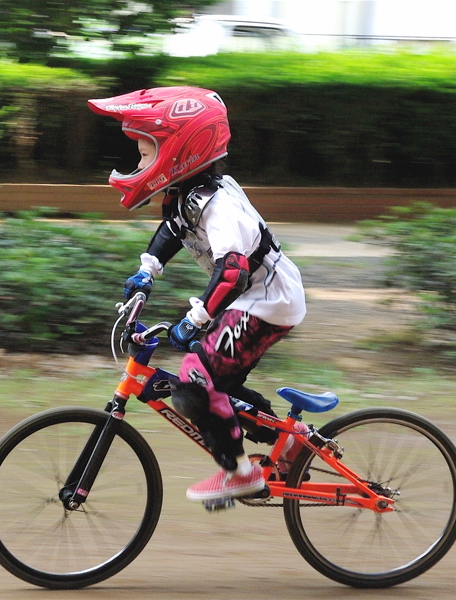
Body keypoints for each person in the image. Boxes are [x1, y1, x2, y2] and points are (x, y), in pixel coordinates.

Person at [88, 87, 307, 503]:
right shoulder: (188, 195)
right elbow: (174, 230)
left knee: (193, 378)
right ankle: (291, 445)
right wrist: (146, 272)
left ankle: (239, 473)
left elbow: (233, 273)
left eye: (146, 153)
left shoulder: (219, 205)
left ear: (181, 149)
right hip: (259, 296)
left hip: (267, 299)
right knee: (214, 383)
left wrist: (197, 320)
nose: (140, 164)